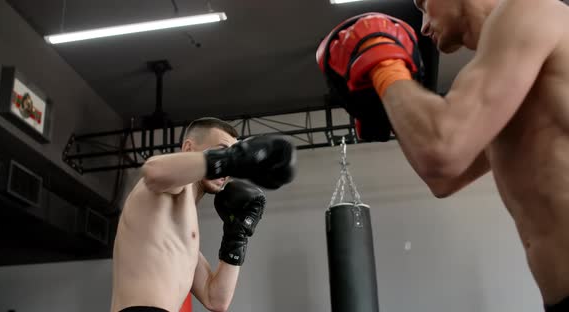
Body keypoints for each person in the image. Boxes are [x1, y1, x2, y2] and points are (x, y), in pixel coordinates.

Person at [316, 0, 569, 310]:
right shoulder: (498, 76)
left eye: (423, 5)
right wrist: (396, 108)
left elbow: (442, 150)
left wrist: (383, 64)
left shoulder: (529, 9)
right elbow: (444, 178)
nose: (422, 25)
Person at [110, 117, 296, 312]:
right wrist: (234, 158)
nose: (230, 168)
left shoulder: (175, 231)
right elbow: (153, 171)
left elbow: (215, 299)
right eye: (223, 149)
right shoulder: (164, 189)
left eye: (232, 153)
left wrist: (236, 236)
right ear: (189, 148)